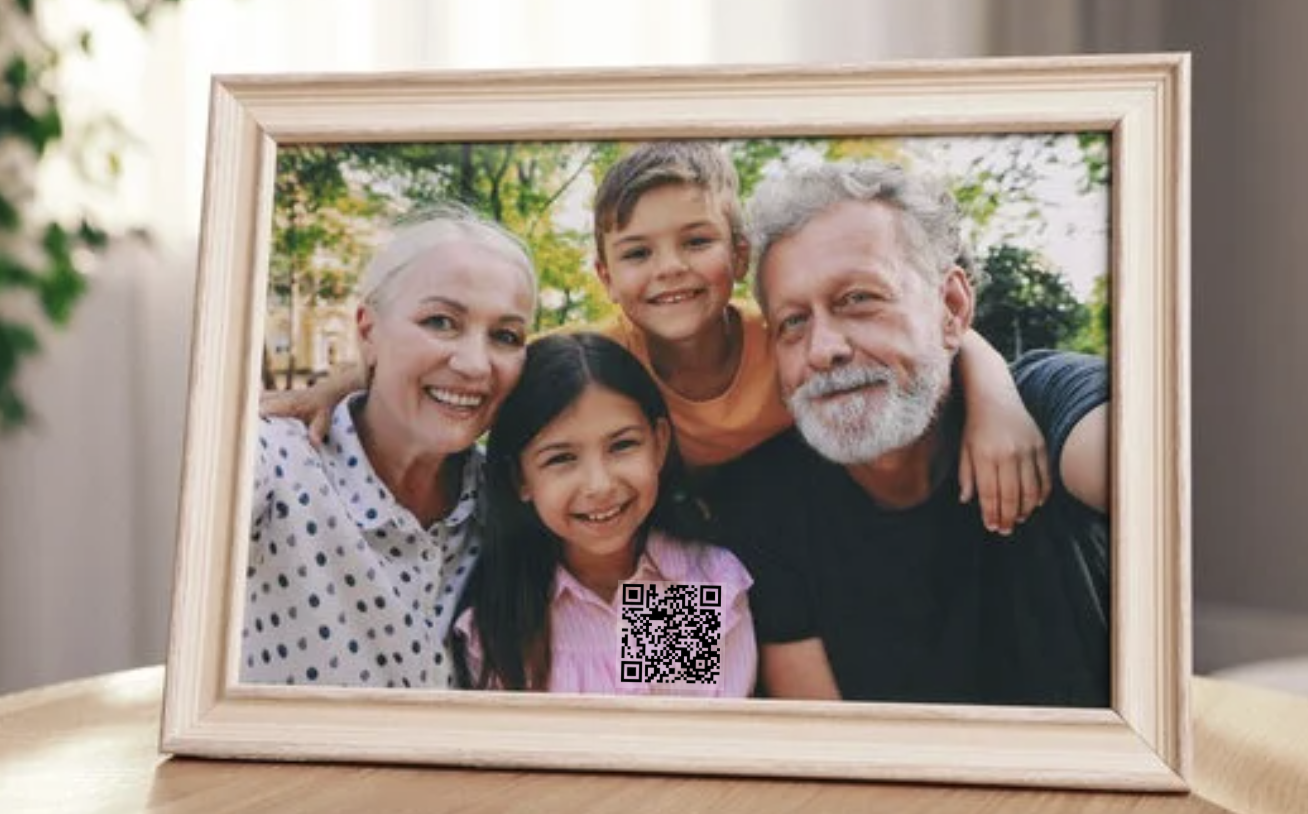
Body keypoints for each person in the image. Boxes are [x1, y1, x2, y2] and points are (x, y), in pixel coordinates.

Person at [273, 142, 1050, 535]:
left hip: (732, 556)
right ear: (607, 276)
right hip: (615, 552)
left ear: (739, 257)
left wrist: (996, 392)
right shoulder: (594, 364)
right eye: (638, 252)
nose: (669, 270)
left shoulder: (792, 346)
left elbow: (917, 338)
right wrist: (347, 381)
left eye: (696, 242)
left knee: (691, 677)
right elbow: (470, 366)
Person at [705, 159, 1111, 707]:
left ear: (952, 305)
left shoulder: (1045, 403)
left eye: (858, 299)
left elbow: (1172, 488)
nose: (824, 349)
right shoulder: (705, 524)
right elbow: (657, 731)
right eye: (793, 321)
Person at [241, 204, 537, 689]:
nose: (475, 364)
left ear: (661, 440)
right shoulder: (274, 462)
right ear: (367, 331)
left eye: (505, 335)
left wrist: (683, 742)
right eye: (441, 322)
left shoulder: (530, 500)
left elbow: (687, 710)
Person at [453, 332, 756, 696]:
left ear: (659, 445)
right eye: (561, 458)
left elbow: (682, 739)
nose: (599, 485)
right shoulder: (505, 612)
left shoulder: (685, 584)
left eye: (622, 445)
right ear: (520, 478)